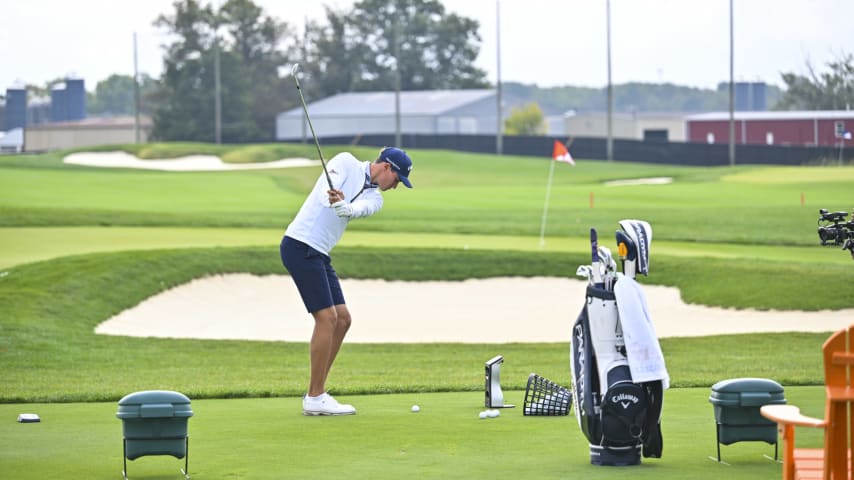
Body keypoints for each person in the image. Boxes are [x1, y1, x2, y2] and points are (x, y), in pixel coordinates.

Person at [280, 146, 413, 415]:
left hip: (319, 253)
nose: (395, 187)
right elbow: (323, 190)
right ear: (386, 167)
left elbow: (361, 208)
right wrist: (331, 199)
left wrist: (347, 207)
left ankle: (316, 392)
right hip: (300, 245)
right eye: (397, 180)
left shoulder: (376, 198)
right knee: (327, 318)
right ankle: (315, 396)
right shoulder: (346, 161)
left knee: (343, 319)